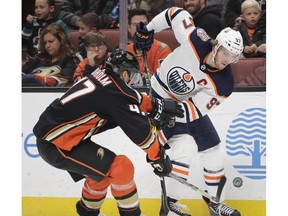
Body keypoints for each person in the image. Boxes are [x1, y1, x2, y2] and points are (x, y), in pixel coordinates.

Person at [33, 48, 184, 216]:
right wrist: (157, 157)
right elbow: (142, 133)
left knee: (102, 174)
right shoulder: (114, 94)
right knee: (121, 167)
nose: (133, 80)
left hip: (60, 138)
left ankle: (87, 213)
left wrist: (154, 106)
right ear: (125, 74)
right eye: (133, 75)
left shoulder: (105, 77)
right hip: (56, 145)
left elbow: (131, 96)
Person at [133, 7, 243, 216]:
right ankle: (170, 204)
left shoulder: (224, 84)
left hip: (184, 107)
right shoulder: (196, 39)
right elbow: (175, 13)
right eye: (226, 53)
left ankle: (215, 205)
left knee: (215, 154)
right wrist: (148, 29)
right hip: (158, 94)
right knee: (184, 148)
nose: (228, 60)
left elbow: (194, 110)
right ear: (216, 45)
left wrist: (165, 116)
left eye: (234, 57)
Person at [127, 8, 172, 86]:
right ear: (129, 28)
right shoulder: (125, 50)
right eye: (135, 25)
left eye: (144, 24)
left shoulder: (162, 50)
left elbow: (163, 82)